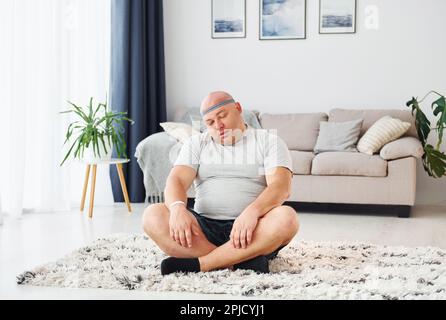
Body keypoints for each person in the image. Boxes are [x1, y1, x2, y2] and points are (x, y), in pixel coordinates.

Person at [142, 91, 299, 275]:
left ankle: (204, 263)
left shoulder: (268, 141)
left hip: (254, 228)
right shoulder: (196, 143)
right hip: (201, 230)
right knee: (152, 215)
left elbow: (280, 186)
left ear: (238, 108)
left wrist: (252, 212)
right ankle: (238, 261)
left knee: (287, 218)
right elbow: (176, 179)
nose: (219, 125)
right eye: (210, 122)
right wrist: (177, 209)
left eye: (222, 116)